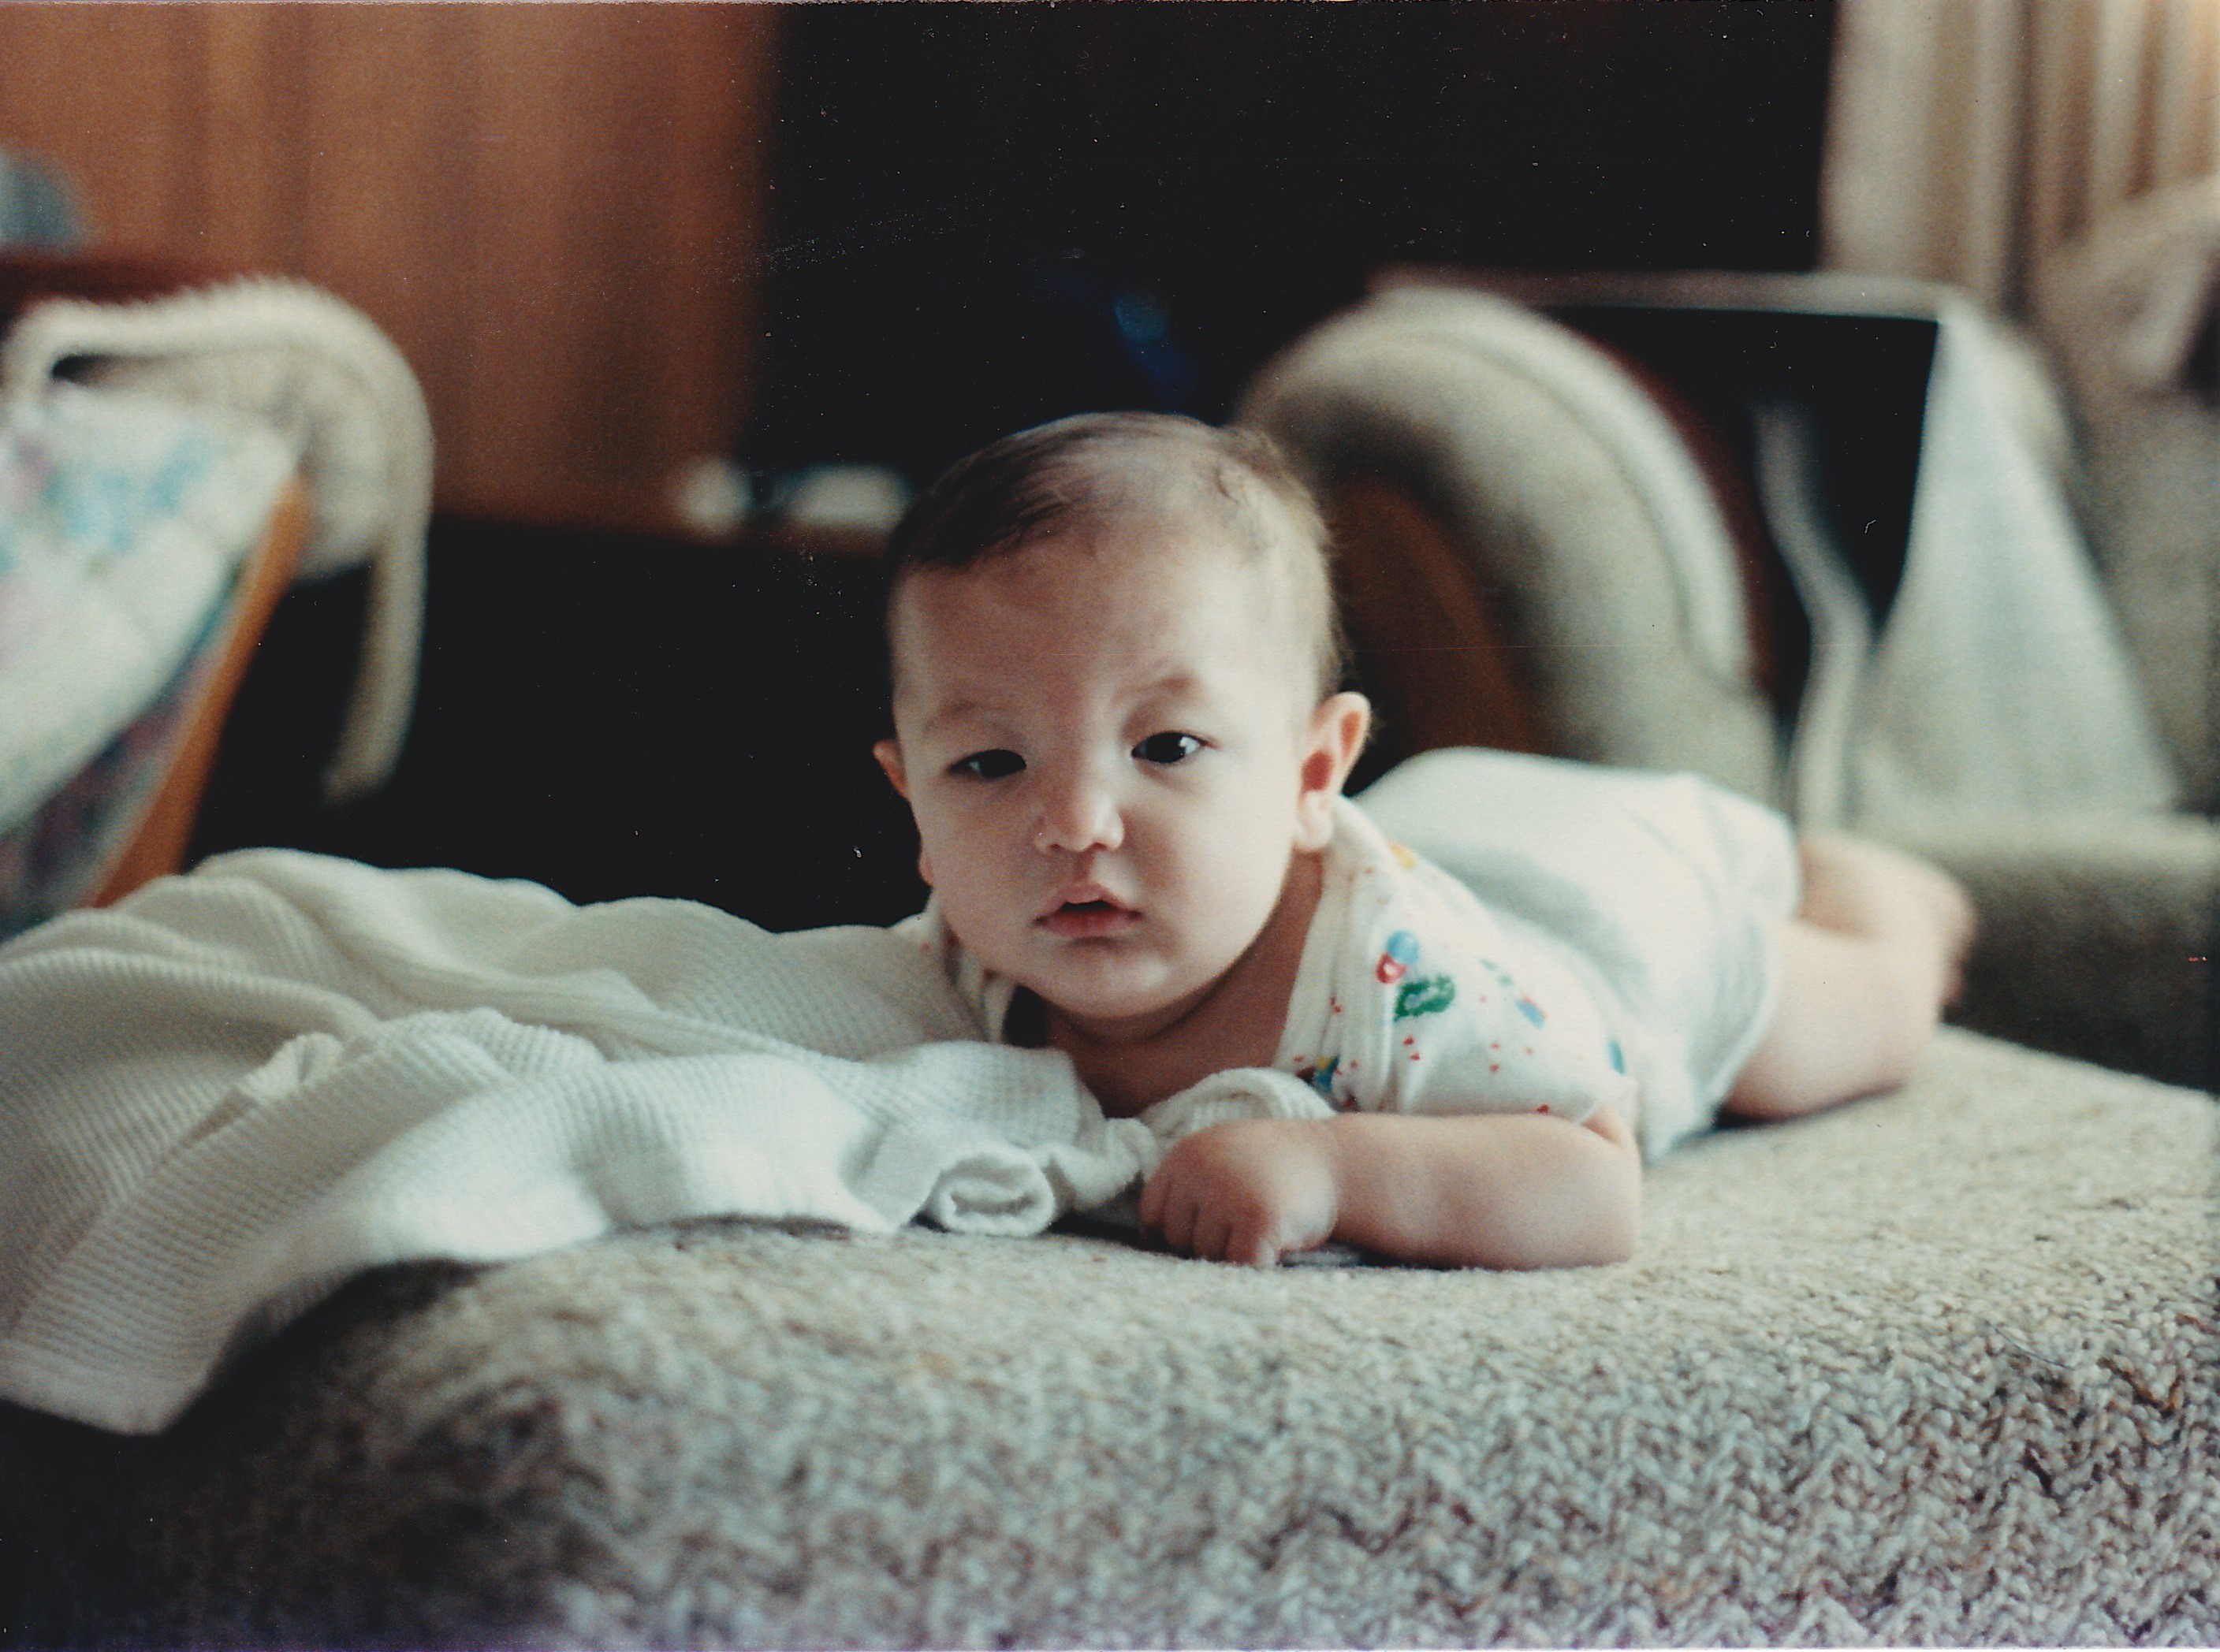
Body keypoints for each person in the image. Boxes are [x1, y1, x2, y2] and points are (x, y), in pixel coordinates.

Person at [872, 412, 1974, 1271]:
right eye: (989, 764)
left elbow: (1594, 1185)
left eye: (1165, 746)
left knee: (1859, 1019)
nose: (1074, 823)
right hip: (1453, 818)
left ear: (1312, 776)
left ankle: (1880, 884)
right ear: (913, 800)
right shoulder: (957, 964)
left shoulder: (1396, 982)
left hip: (1618, 922)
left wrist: (1335, 1171)